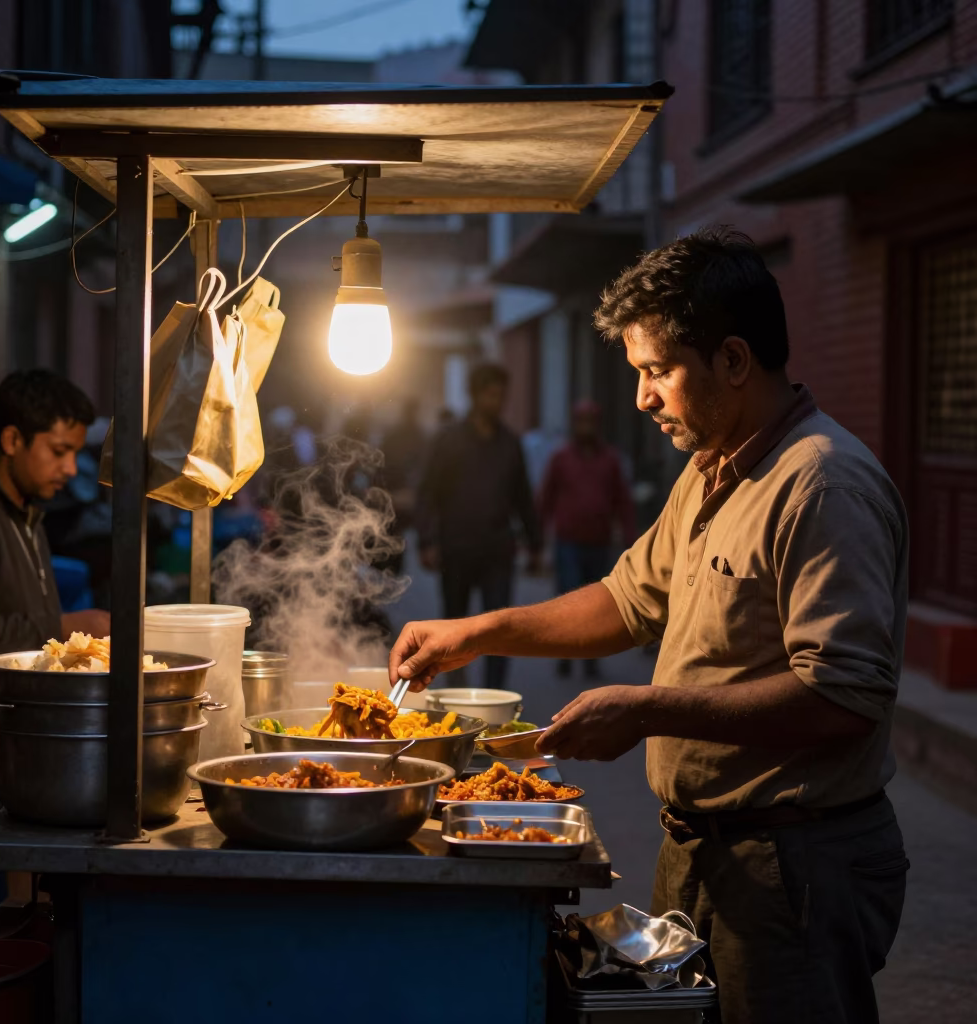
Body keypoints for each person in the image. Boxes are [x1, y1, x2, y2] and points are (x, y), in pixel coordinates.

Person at [390, 228, 909, 1023]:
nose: (643, 398)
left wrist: (647, 708)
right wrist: (478, 630)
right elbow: (625, 600)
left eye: (657, 372)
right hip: (701, 849)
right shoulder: (711, 473)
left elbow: (843, 697)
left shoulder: (821, 486)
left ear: (733, 361)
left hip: (792, 864)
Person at [0, 370, 110, 776]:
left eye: (74, 453)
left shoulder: (28, 514)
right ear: (12, 441)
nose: (73, 468)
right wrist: (64, 627)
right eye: (59, 451)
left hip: (17, 752)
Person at [415, 363, 541, 690]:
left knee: (499, 629)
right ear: (474, 395)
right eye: (490, 394)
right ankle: (454, 694)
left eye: (501, 395)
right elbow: (428, 492)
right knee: (454, 626)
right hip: (456, 548)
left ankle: (494, 697)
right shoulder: (448, 440)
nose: (497, 401)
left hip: (498, 549)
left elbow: (523, 497)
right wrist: (426, 542)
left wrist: (535, 544)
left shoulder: (510, 443)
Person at [540, 399, 636, 679]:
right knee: (568, 601)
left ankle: (591, 657)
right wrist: (536, 541)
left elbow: (622, 500)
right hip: (567, 540)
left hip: (599, 540)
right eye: (581, 422)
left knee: (597, 604)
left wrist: (630, 537)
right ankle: (565, 653)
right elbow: (546, 498)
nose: (586, 427)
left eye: (590, 422)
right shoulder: (562, 458)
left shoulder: (610, 460)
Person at [379, 397, 428, 576]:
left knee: (396, 529)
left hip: (403, 490)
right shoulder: (415, 435)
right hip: (400, 490)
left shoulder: (410, 435)